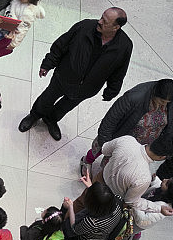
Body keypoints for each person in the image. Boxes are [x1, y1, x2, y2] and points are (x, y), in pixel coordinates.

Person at [18, 8, 133, 141]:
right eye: (101, 17)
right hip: (63, 77)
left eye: (105, 21)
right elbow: (61, 45)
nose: (99, 21)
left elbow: (119, 71)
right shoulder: (85, 27)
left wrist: (112, 90)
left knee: (65, 107)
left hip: (86, 89)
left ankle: (51, 120)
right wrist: (48, 64)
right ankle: (34, 115)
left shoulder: (125, 46)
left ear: (116, 27)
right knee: (47, 98)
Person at [81, 79, 173, 177]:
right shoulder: (135, 97)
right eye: (162, 101)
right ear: (156, 94)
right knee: (102, 149)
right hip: (122, 134)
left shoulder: (169, 102)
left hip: (143, 142)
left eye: (167, 102)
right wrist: (105, 143)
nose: (164, 104)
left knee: (115, 165)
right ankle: (87, 161)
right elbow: (110, 121)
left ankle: (105, 175)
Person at [74, 138, 169, 216]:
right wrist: (158, 208)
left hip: (98, 181)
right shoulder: (144, 178)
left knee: (81, 202)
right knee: (94, 217)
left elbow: (105, 149)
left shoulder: (127, 140)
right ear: (161, 157)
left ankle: (66, 221)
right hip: (111, 200)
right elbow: (131, 201)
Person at [50, 183, 124, 240]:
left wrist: (71, 207)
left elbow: (74, 228)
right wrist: (93, 190)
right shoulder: (117, 202)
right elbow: (102, 201)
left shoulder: (92, 222)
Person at [109, 176, 173, 240]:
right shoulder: (161, 189)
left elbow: (143, 220)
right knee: (134, 229)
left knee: (129, 233)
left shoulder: (164, 208)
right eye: (168, 178)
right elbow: (157, 183)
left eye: (167, 183)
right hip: (139, 213)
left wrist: (135, 204)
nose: (164, 179)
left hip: (141, 222)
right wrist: (154, 179)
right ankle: (137, 234)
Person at [0, 0, 45, 69]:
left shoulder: (29, 12)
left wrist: (14, 43)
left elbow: (23, 30)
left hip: (8, 29)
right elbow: (8, 8)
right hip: (1, 21)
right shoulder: (16, 0)